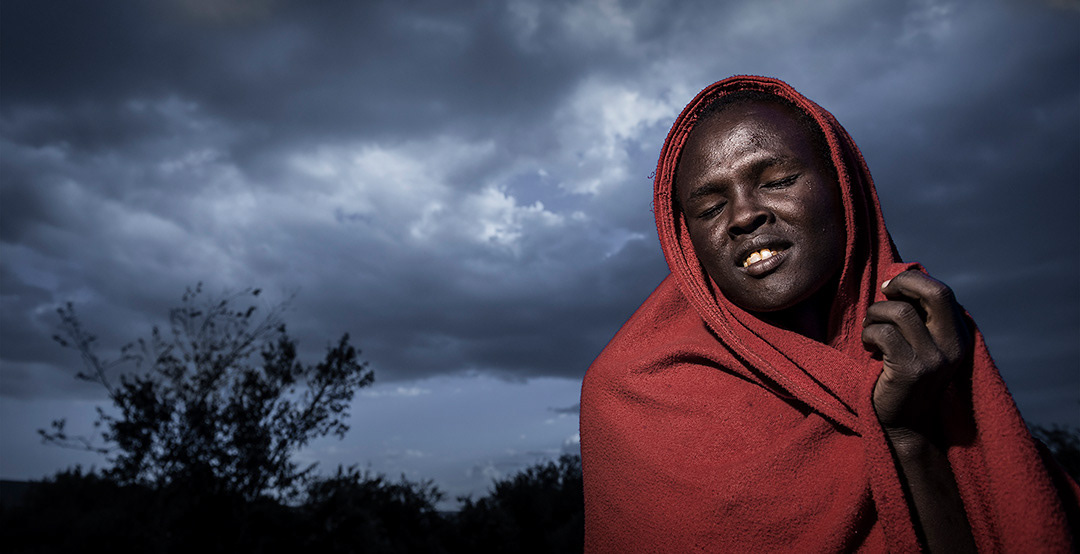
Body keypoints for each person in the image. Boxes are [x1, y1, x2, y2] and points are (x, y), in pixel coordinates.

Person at [579, 76, 1079, 552]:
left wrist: (910, 434)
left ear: (844, 187)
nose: (743, 216)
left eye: (779, 180)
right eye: (709, 210)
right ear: (686, 242)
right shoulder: (636, 393)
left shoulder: (928, 337)